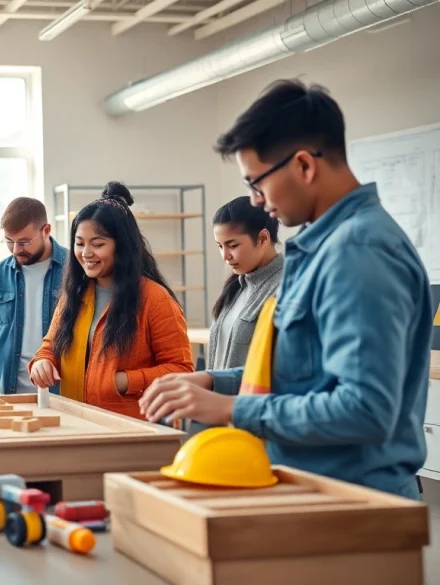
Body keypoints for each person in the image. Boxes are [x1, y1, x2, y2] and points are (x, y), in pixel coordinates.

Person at [139, 79, 433, 499]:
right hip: (314, 490)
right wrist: (212, 382)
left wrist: (232, 409)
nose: (256, 201)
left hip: (354, 501)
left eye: (257, 183)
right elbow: (301, 375)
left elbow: (365, 410)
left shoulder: (358, 250)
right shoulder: (323, 246)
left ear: (304, 166)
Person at [28, 182, 193, 420]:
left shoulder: (156, 300)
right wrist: (41, 363)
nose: (86, 253)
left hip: (134, 430)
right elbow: (49, 348)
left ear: (122, 247)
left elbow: (181, 371)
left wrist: (123, 381)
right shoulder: (74, 296)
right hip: (77, 423)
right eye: (79, 243)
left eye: (98, 244)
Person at [186, 196, 283, 436]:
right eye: (220, 246)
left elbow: (276, 370)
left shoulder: (286, 287)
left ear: (262, 238)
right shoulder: (237, 286)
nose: (225, 255)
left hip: (252, 425)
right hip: (219, 422)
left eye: (232, 245)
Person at [0, 197, 68, 394]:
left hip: (65, 392)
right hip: (11, 393)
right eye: (10, 241)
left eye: (24, 242)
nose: (16, 250)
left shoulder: (75, 271)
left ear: (46, 230)